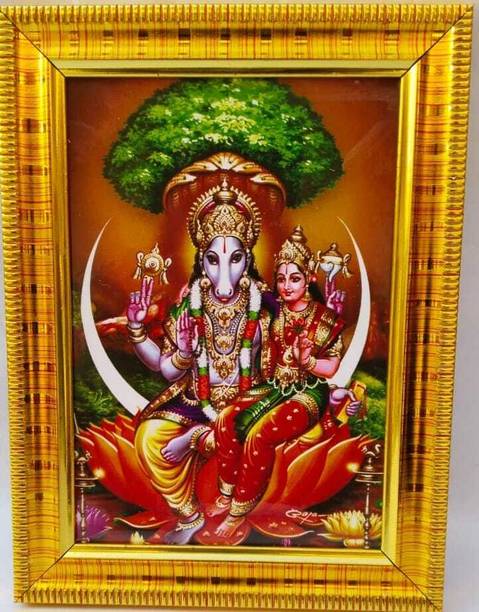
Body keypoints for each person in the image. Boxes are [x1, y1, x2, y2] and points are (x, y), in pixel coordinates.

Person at [127, 180, 272, 544]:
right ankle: (189, 516)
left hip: (249, 403)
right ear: (201, 260)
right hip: (196, 400)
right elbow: (166, 370)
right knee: (148, 439)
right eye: (213, 260)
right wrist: (139, 331)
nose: (224, 280)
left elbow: (280, 369)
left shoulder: (265, 307)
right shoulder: (189, 305)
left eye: (235, 259)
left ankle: (198, 438)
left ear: (248, 260)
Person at [213, 226, 360, 538]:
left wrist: (308, 362)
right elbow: (245, 284)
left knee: (260, 435)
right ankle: (225, 493)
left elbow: (331, 367)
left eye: (294, 278)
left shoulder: (325, 320)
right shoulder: (275, 309)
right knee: (226, 418)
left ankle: (238, 510)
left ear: (309, 279)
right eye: (281, 279)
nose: (286, 285)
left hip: (308, 392)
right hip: (276, 386)